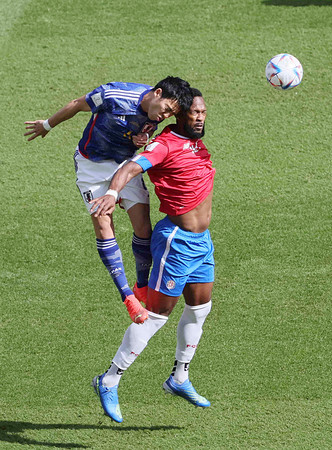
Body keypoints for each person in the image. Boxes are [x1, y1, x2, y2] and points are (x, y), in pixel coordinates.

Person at [89, 89, 215, 422]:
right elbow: (131, 168)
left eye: (203, 111)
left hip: (202, 242)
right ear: (180, 115)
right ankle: (109, 378)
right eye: (194, 112)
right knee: (156, 316)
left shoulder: (195, 143)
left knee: (200, 308)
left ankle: (179, 378)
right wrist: (114, 192)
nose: (200, 116)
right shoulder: (164, 145)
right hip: (176, 241)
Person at [24, 77, 193, 324]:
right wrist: (47, 125)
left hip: (124, 164)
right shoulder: (114, 95)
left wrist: (140, 141)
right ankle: (128, 298)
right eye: (167, 109)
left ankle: (142, 286)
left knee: (143, 228)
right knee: (104, 225)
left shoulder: (155, 115)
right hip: (91, 166)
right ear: (157, 93)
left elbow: (139, 134)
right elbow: (77, 104)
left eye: (171, 114)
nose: (165, 116)